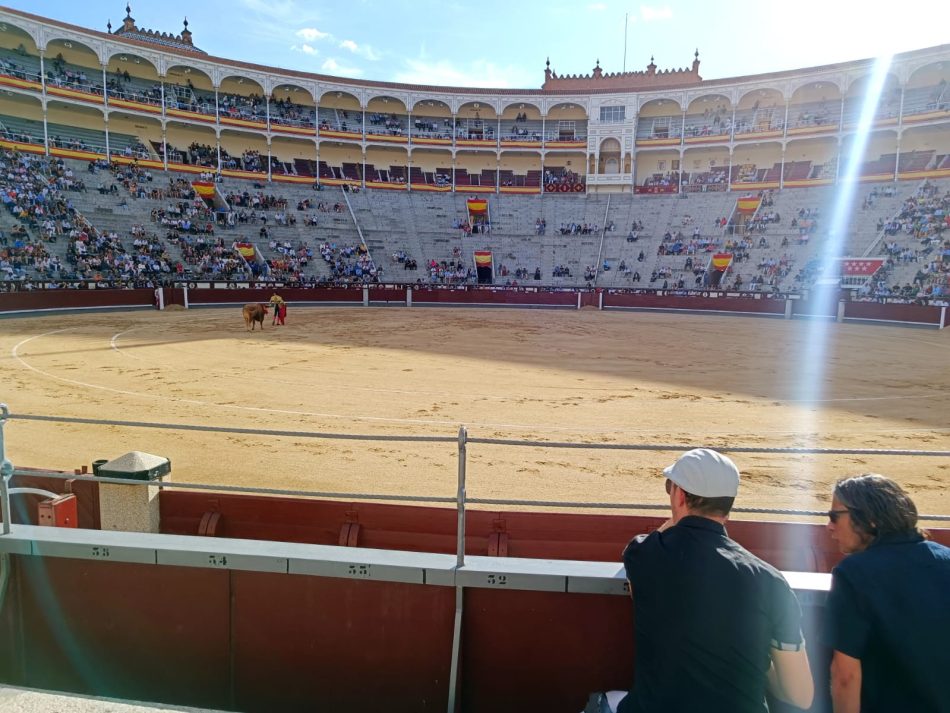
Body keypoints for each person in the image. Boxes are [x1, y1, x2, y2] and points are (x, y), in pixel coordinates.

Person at [599, 449, 814, 713]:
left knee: (603, 701)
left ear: (678, 495)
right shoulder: (770, 581)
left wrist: (677, 517)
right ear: (728, 505)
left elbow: (644, 563)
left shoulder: (644, 555)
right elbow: (800, 696)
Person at [822, 474, 950, 713]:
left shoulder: (854, 574)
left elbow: (845, 675)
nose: (829, 525)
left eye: (834, 516)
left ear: (869, 520)